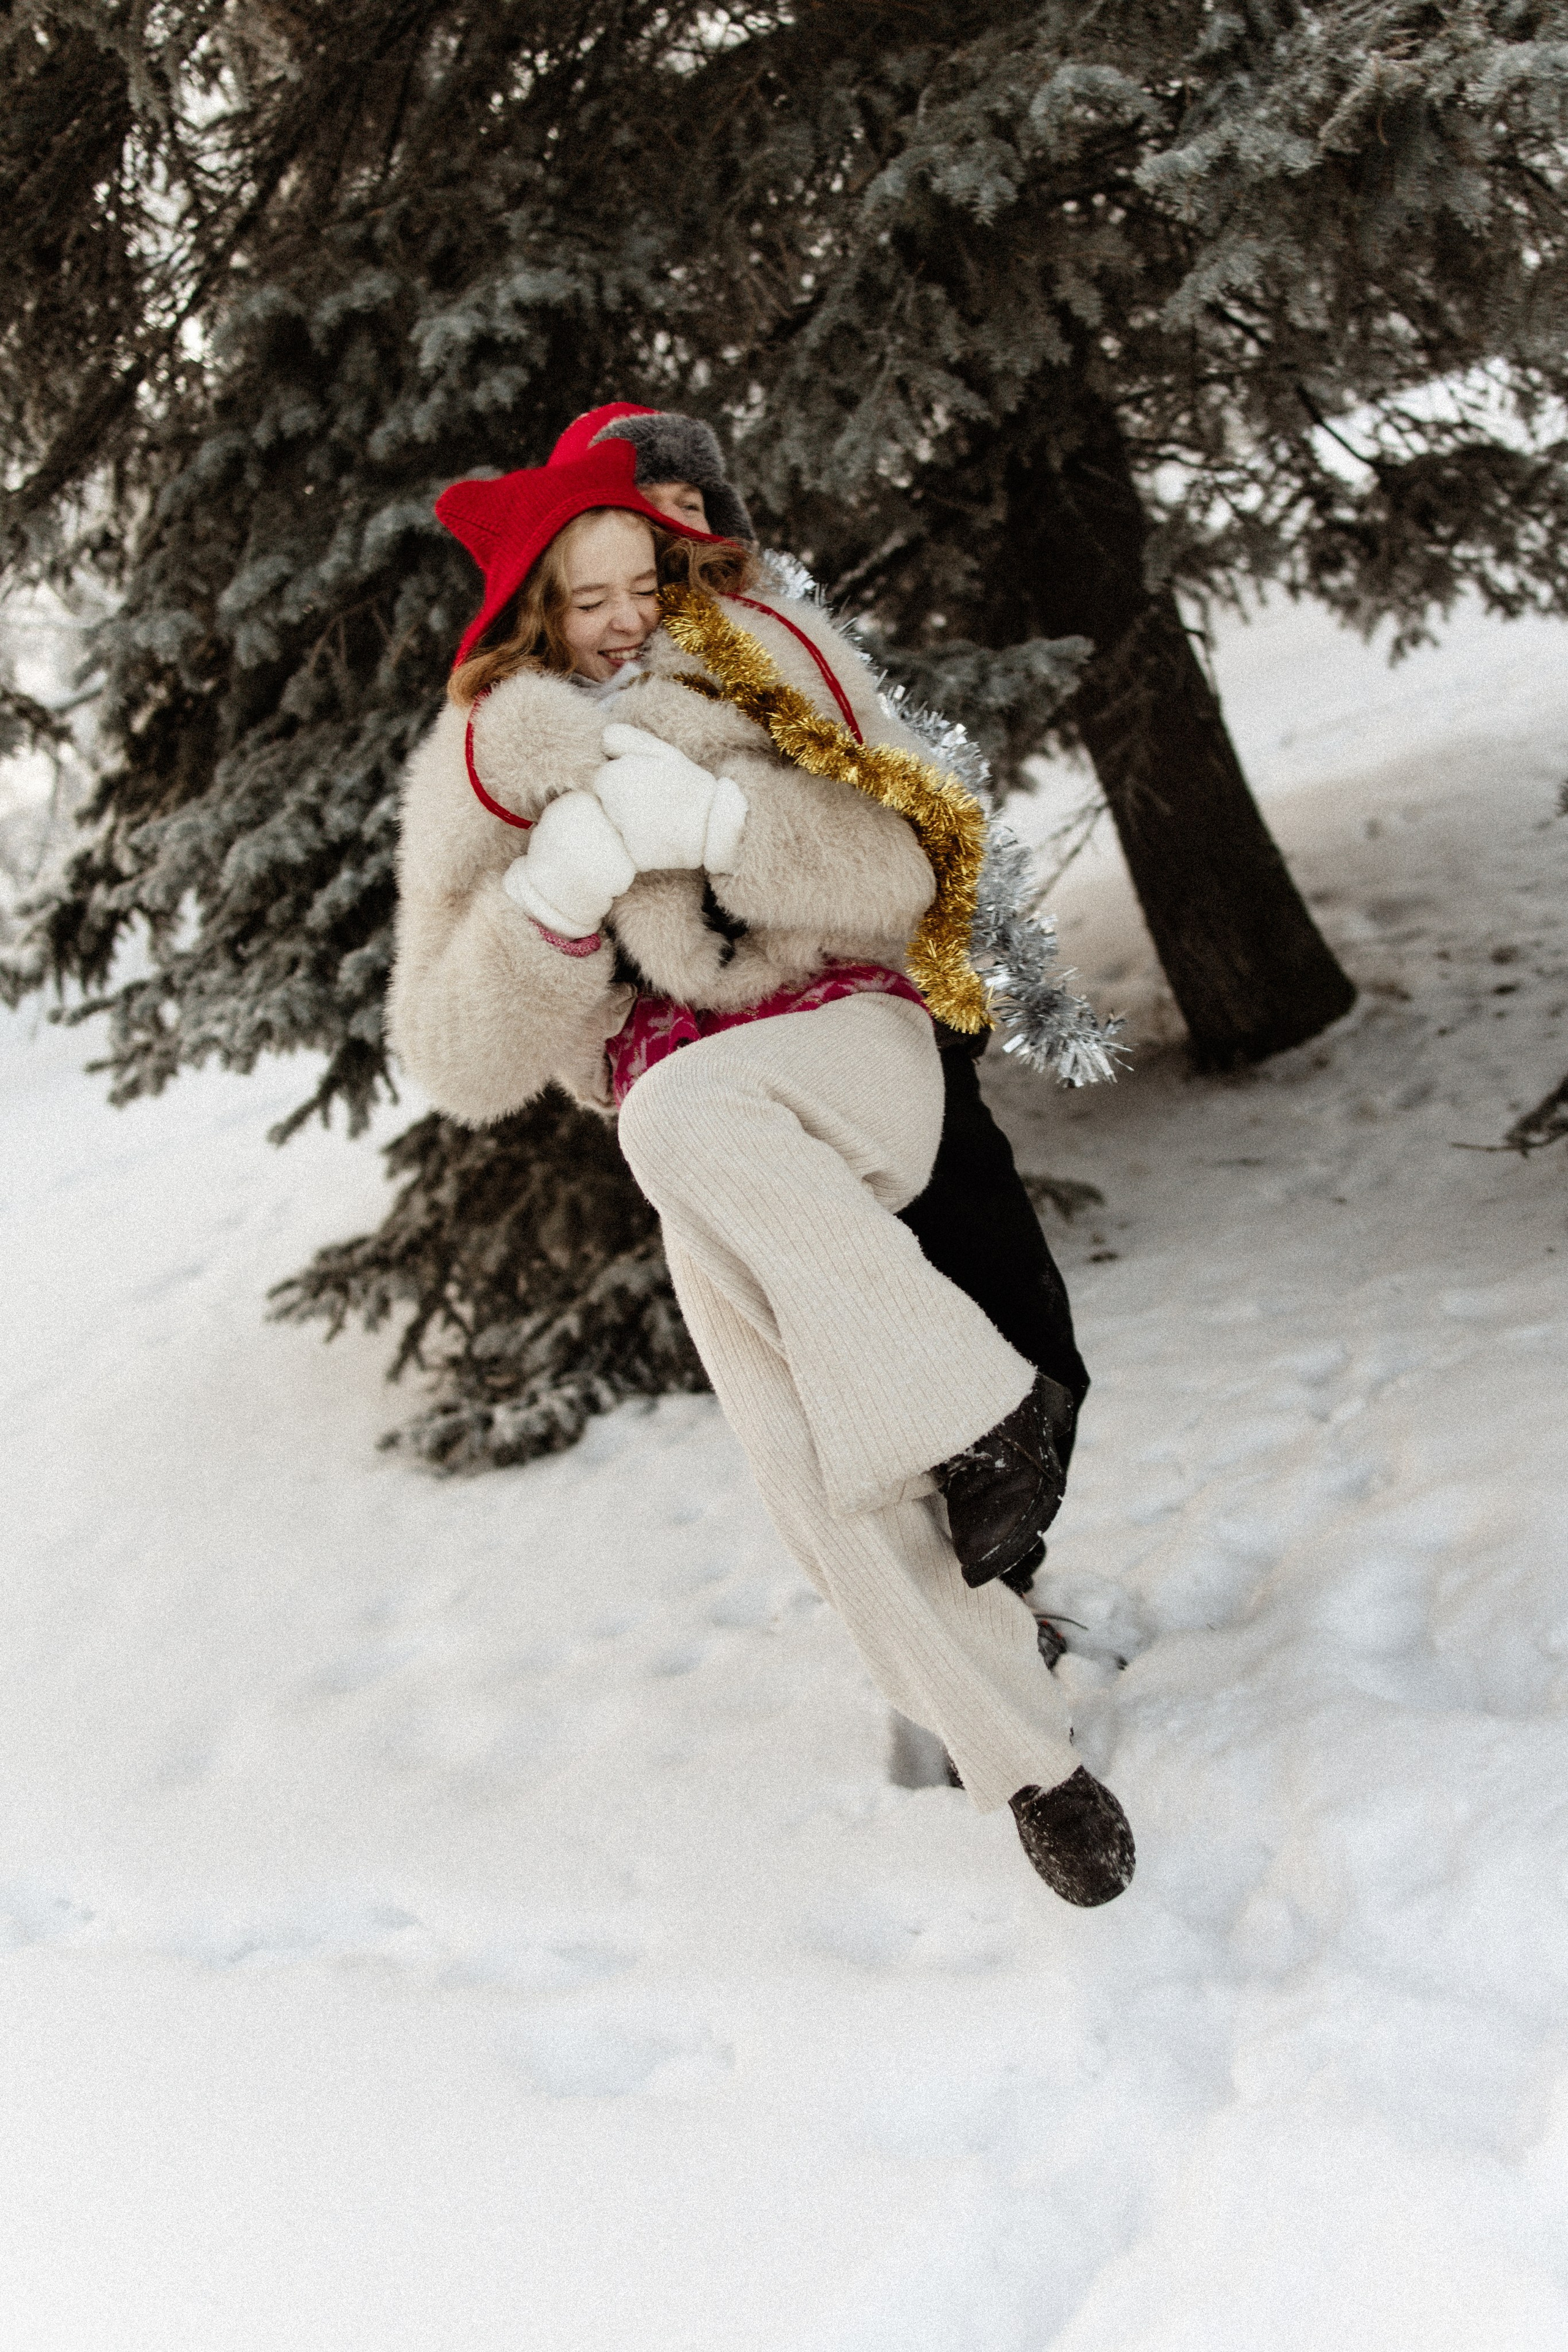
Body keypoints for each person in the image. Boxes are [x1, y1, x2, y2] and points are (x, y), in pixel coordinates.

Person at [389, 432, 1134, 1904]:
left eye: (641, 577)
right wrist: (547, 900)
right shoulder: (473, 776)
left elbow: (910, 867)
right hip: (699, 1131)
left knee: (677, 1125)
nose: (622, 615)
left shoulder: (763, 654)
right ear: (528, 608)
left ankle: (991, 1415)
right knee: (803, 1469)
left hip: (848, 1047)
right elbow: (451, 1060)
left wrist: (724, 825)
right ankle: (1032, 1767)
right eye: (586, 594)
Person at [551, 405, 1092, 1612]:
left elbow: (899, 824)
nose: (675, 525)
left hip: (871, 1014)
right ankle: (982, 1639)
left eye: (693, 504)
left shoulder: (779, 647)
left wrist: (733, 832)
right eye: (647, 509)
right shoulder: (558, 703)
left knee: (1008, 1303)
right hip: (715, 1064)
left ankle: (1014, 1539)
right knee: (836, 1346)